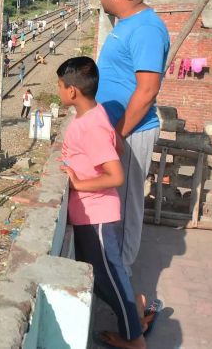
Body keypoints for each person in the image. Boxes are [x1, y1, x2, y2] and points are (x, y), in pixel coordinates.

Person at [56, 56, 146, 349]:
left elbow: (116, 175)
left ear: (72, 91)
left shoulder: (90, 125)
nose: (58, 90)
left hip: (96, 215)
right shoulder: (94, 114)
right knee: (101, 276)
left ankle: (135, 339)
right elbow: (116, 147)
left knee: (110, 278)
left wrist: (80, 182)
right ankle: (137, 309)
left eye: (59, 85)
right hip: (90, 214)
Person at [96, 0, 169, 277]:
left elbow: (148, 89)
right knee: (113, 205)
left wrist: (117, 134)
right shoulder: (124, 23)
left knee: (125, 210)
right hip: (115, 130)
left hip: (130, 132)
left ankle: (122, 281)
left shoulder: (146, 29)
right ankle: (112, 270)